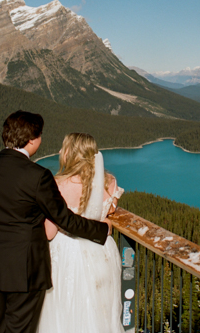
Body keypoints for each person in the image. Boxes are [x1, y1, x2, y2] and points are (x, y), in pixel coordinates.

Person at [0, 111, 111, 333]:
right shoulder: (38, 175)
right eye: (40, 135)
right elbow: (64, 219)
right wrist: (102, 229)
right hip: (24, 270)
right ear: (32, 140)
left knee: (1, 326)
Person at [37, 133, 126, 333]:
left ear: (73, 153)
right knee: (101, 313)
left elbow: (49, 233)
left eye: (64, 148)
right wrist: (106, 223)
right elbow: (108, 213)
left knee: (66, 314)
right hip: (102, 253)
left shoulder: (57, 185)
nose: (60, 151)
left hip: (69, 256)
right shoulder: (109, 182)